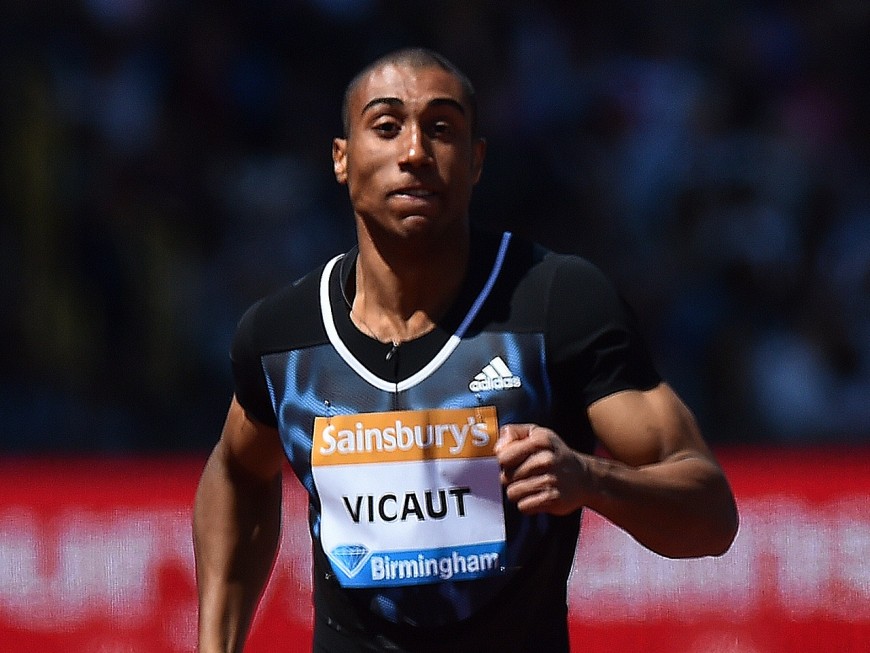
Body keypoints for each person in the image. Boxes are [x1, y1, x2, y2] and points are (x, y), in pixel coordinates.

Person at [193, 47, 739, 653]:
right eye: (386, 126)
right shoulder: (284, 339)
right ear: (342, 159)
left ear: (476, 160)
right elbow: (238, 472)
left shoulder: (554, 305)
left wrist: (591, 478)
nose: (414, 152)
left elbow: (712, 517)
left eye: (441, 129)